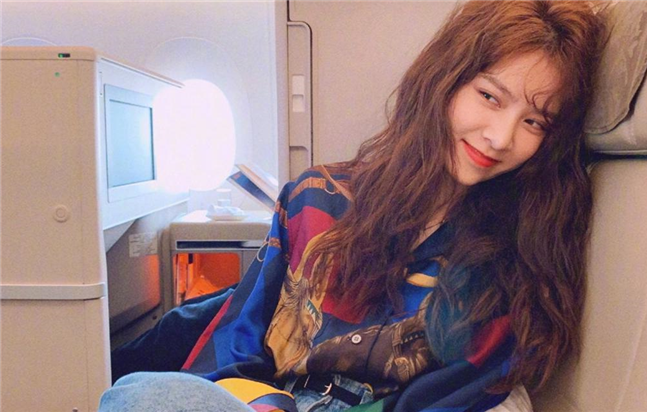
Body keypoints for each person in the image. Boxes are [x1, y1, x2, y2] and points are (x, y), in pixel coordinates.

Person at [101, 0, 606, 410]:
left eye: (534, 122)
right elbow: (238, 339)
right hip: (270, 403)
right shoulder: (316, 197)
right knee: (140, 393)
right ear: (445, 81)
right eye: (490, 97)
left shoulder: (517, 249)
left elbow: (462, 391)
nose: (500, 137)